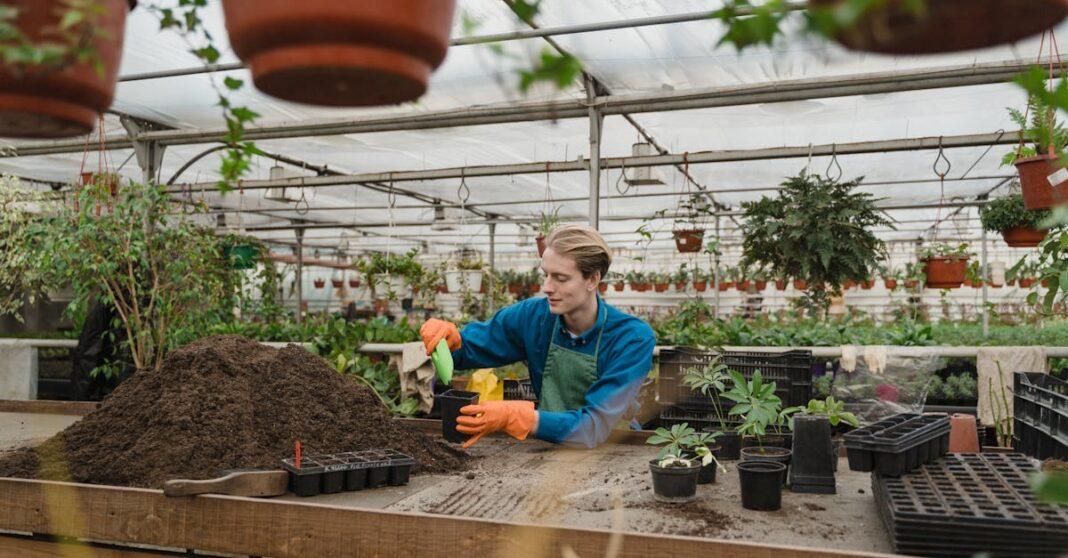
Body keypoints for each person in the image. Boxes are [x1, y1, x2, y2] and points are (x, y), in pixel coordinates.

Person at [420, 225, 656, 449]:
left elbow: (593, 426)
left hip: (618, 451)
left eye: (561, 278)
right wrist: (447, 340)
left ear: (592, 279)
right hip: (550, 448)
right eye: (546, 275)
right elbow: (469, 350)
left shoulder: (630, 339)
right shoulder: (532, 317)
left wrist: (519, 416)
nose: (547, 287)